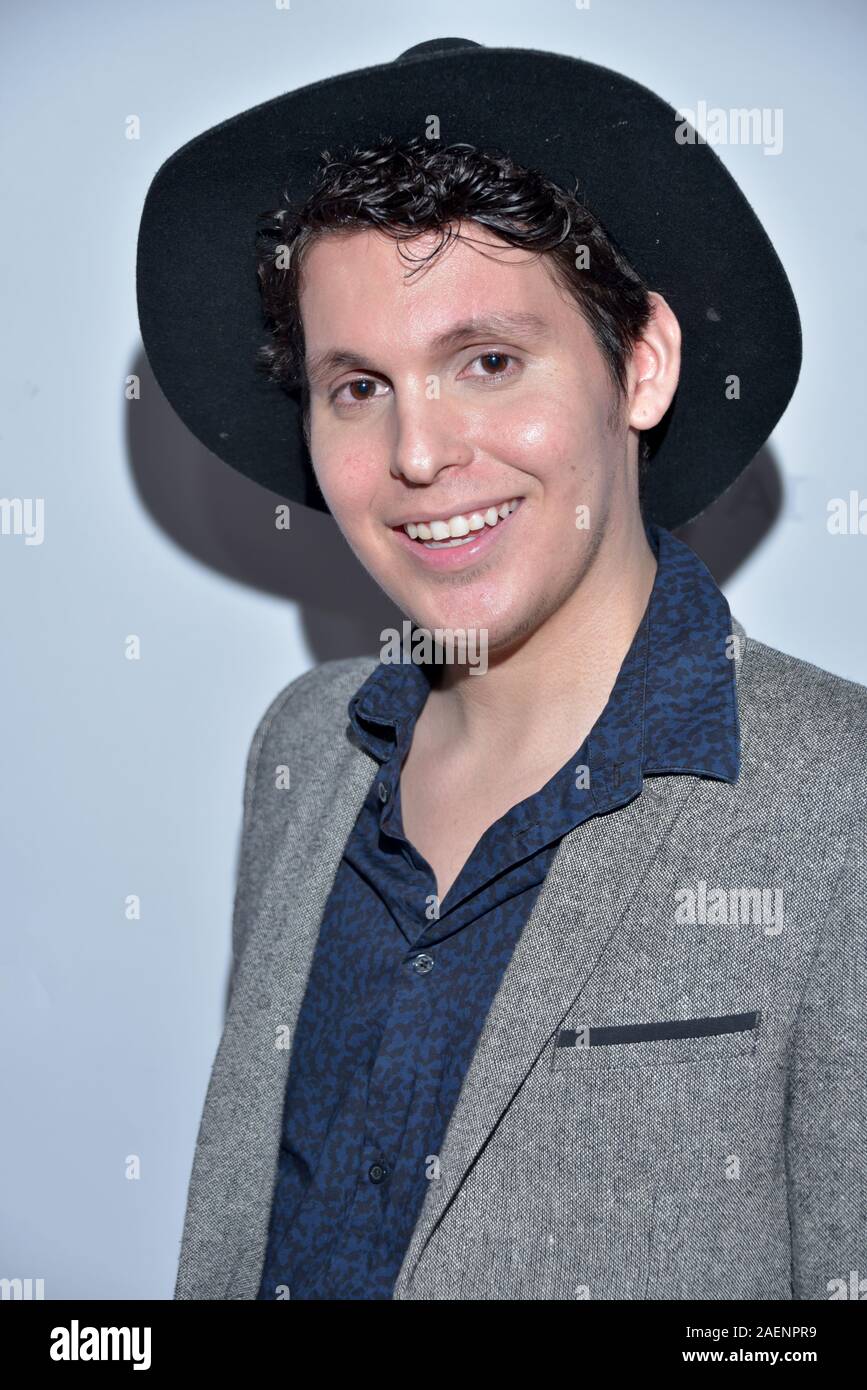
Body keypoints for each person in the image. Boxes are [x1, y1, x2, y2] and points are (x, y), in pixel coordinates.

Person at [137, 39, 866, 1301]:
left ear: (641, 364)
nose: (418, 453)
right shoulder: (303, 749)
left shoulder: (840, 805)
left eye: (486, 361)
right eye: (358, 384)